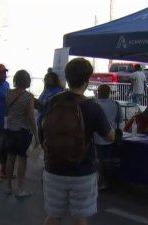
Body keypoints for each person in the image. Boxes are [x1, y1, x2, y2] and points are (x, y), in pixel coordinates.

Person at [40, 58, 114, 225]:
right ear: (87, 80)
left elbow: (42, 132)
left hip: (53, 168)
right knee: (79, 217)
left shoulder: (52, 102)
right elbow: (109, 136)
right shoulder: (91, 107)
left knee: (53, 215)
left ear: (66, 77)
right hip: (82, 171)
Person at [4, 70, 40, 197]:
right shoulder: (28, 96)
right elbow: (31, 117)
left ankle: (8, 187)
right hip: (21, 132)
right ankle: (20, 190)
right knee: (22, 161)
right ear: (27, 81)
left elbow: (8, 110)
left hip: (9, 130)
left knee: (10, 158)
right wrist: (36, 135)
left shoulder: (9, 93)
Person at [94, 84, 122, 190]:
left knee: (98, 160)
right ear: (109, 93)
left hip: (95, 137)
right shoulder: (115, 104)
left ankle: (101, 181)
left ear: (98, 92)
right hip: (110, 136)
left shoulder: (94, 104)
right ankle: (106, 181)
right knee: (106, 160)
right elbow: (119, 121)